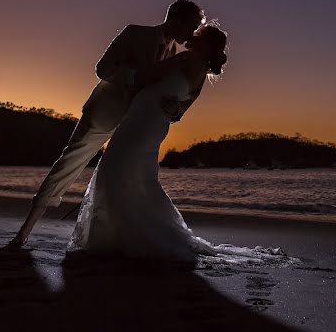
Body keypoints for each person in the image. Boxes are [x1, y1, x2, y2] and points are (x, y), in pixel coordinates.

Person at [67, 24, 291, 268]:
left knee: (116, 170)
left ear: (204, 43)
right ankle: (126, 235)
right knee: (134, 174)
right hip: (154, 123)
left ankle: (120, 237)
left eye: (198, 33)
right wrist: (171, 108)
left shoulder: (187, 58)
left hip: (142, 121)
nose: (192, 33)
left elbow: (149, 74)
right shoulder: (202, 74)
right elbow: (179, 112)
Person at [10, 0, 206, 246]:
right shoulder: (134, 33)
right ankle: (24, 232)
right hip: (103, 114)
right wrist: (135, 76)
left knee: (125, 178)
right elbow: (102, 68)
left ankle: (117, 237)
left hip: (133, 125)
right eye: (192, 25)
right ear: (177, 18)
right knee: (69, 164)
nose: (193, 33)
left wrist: (172, 108)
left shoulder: (174, 52)